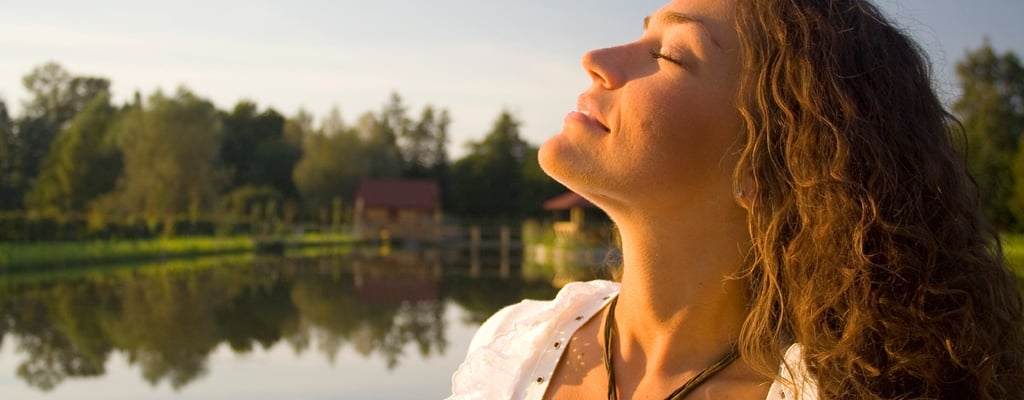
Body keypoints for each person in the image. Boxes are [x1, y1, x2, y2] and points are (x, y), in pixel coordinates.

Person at [449, 0, 1024, 398]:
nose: (596, 59)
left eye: (670, 54)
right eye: (644, 33)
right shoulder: (514, 345)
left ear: (765, 165)